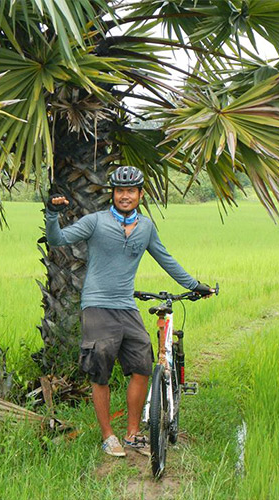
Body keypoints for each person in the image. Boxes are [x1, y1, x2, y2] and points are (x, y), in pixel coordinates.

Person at [45, 165, 215, 457]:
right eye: (120, 191)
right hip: (97, 305)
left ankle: (133, 434)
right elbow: (57, 239)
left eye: (131, 191)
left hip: (126, 306)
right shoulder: (95, 222)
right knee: (101, 371)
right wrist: (51, 213)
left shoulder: (146, 227)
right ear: (113, 194)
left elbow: (165, 258)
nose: (125, 196)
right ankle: (108, 436)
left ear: (140, 194)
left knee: (141, 367)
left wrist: (195, 284)